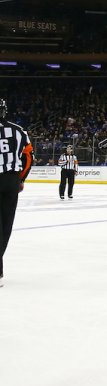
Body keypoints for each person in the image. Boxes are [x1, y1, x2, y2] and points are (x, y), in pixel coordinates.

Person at [0, 98, 34, 287]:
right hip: (11, 181)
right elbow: (29, 156)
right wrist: (20, 178)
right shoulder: (18, 130)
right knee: (6, 226)